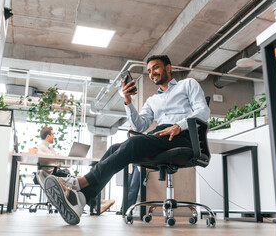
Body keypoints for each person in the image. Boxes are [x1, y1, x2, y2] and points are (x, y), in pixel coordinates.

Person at [43, 55, 211, 225]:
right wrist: (128, 101)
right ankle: (82, 200)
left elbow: (203, 111)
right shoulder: (152, 100)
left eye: (156, 68)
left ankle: (78, 183)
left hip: (182, 136)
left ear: (168, 68)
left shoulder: (188, 84)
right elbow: (139, 126)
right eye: (150, 71)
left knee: (133, 143)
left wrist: (178, 125)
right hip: (160, 136)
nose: (152, 73)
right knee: (114, 148)